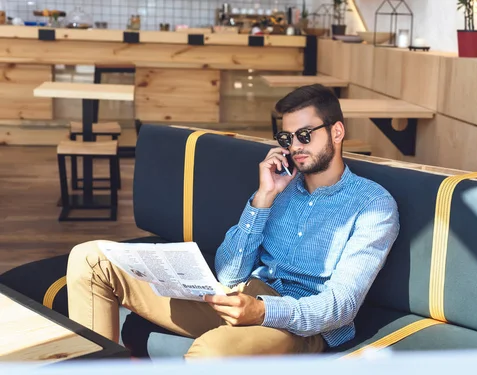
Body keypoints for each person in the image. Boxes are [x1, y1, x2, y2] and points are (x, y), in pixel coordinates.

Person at [66, 84, 400, 358]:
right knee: (90, 258)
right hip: (237, 298)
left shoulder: (373, 205)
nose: (295, 146)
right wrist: (263, 198)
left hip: (299, 323)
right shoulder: (279, 186)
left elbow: (342, 306)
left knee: (212, 355)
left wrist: (263, 311)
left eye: (305, 135)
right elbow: (229, 273)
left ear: (337, 131)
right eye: (287, 138)